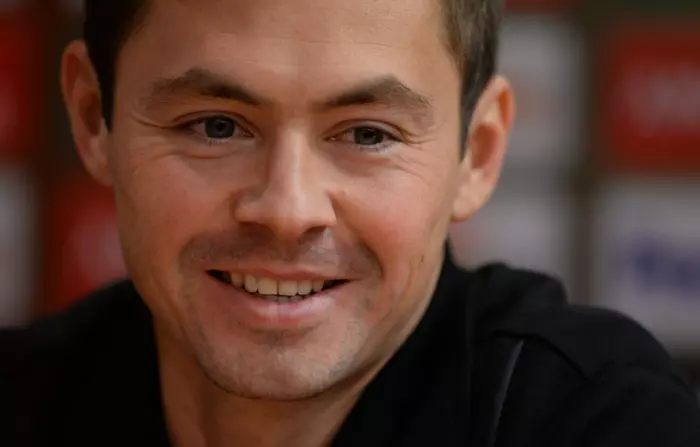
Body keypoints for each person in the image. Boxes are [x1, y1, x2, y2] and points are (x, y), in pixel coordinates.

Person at [2, 0, 699, 445]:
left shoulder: (596, 420)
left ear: (478, 153)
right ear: (93, 118)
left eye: (367, 134)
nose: (288, 210)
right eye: (216, 126)